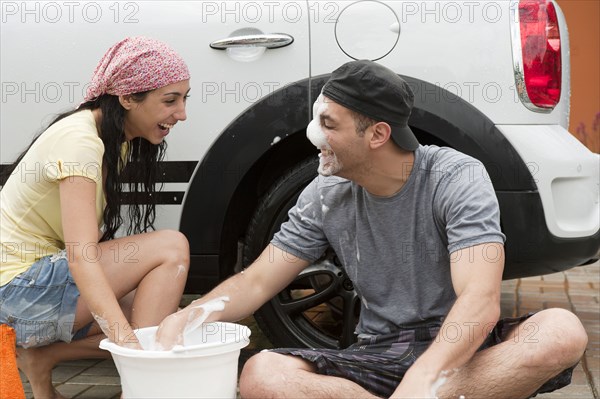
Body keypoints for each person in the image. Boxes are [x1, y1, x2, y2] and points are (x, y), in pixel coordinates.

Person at [156, 60, 588, 398]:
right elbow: (255, 281)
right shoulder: (324, 193)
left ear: (378, 134)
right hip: (379, 351)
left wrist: (423, 379)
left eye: (328, 124)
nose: (313, 136)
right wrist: (190, 315)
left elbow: (480, 300)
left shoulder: (455, 176)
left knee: (560, 331)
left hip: (461, 346)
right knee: (261, 375)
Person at [0, 36, 191, 399]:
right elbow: (81, 257)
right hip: (13, 294)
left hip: (27, 290)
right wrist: (126, 341)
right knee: (171, 247)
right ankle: (141, 385)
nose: (181, 113)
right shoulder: (81, 142)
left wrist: (131, 328)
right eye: (170, 100)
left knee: (161, 308)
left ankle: (45, 358)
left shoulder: (108, 139)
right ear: (128, 98)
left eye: (184, 98)